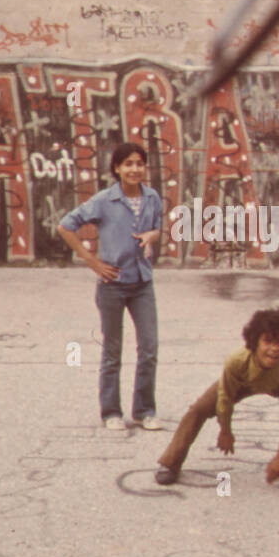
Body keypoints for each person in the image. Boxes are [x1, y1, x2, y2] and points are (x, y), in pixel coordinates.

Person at [154, 307, 279, 486]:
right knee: (198, 410)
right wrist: (225, 430)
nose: (274, 349)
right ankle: (170, 463)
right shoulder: (236, 361)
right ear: (255, 343)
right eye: (268, 341)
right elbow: (224, 398)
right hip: (242, 384)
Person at [58, 142, 163, 430]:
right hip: (112, 284)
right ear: (117, 168)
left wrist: (152, 236)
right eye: (127, 164)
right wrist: (92, 261)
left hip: (143, 283)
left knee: (149, 347)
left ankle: (144, 410)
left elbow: (156, 227)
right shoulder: (104, 200)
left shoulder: (152, 197)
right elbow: (65, 226)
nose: (134, 169)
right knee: (113, 349)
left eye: (139, 163)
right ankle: (111, 412)